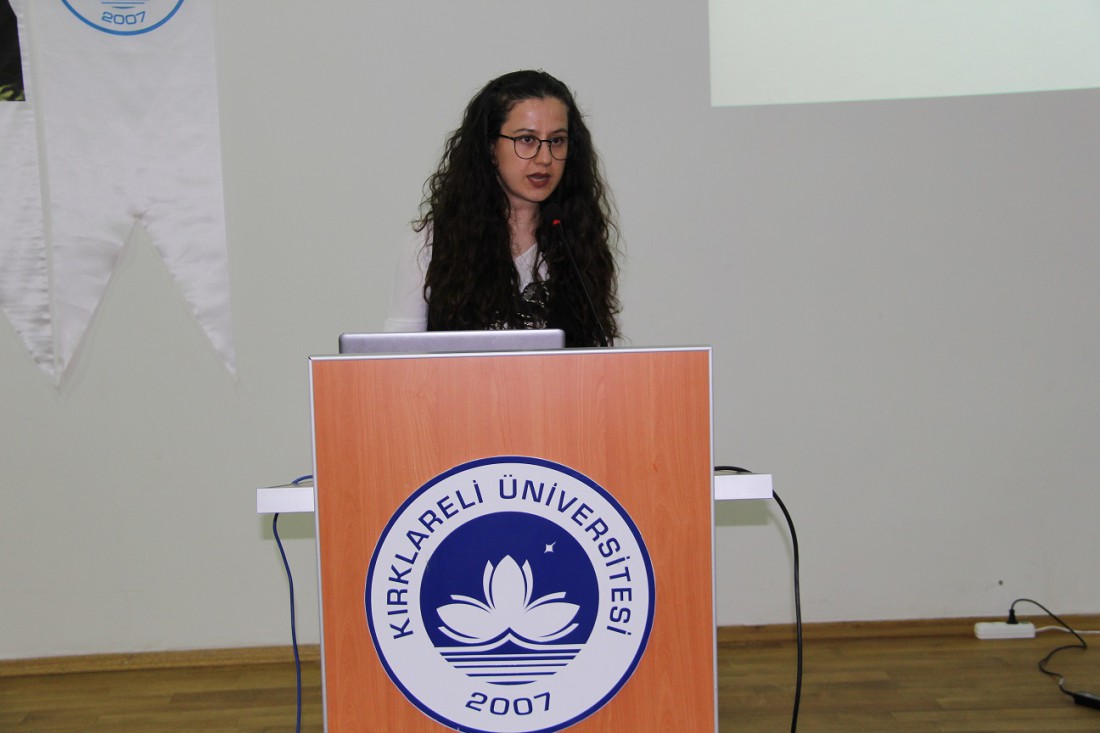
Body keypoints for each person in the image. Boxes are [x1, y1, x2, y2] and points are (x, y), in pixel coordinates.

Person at [384, 70, 620, 347]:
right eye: (527, 140)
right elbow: (398, 359)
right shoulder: (430, 245)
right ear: (490, 147)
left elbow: (596, 354)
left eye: (556, 141)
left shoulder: (578, 240)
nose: (545, 158)